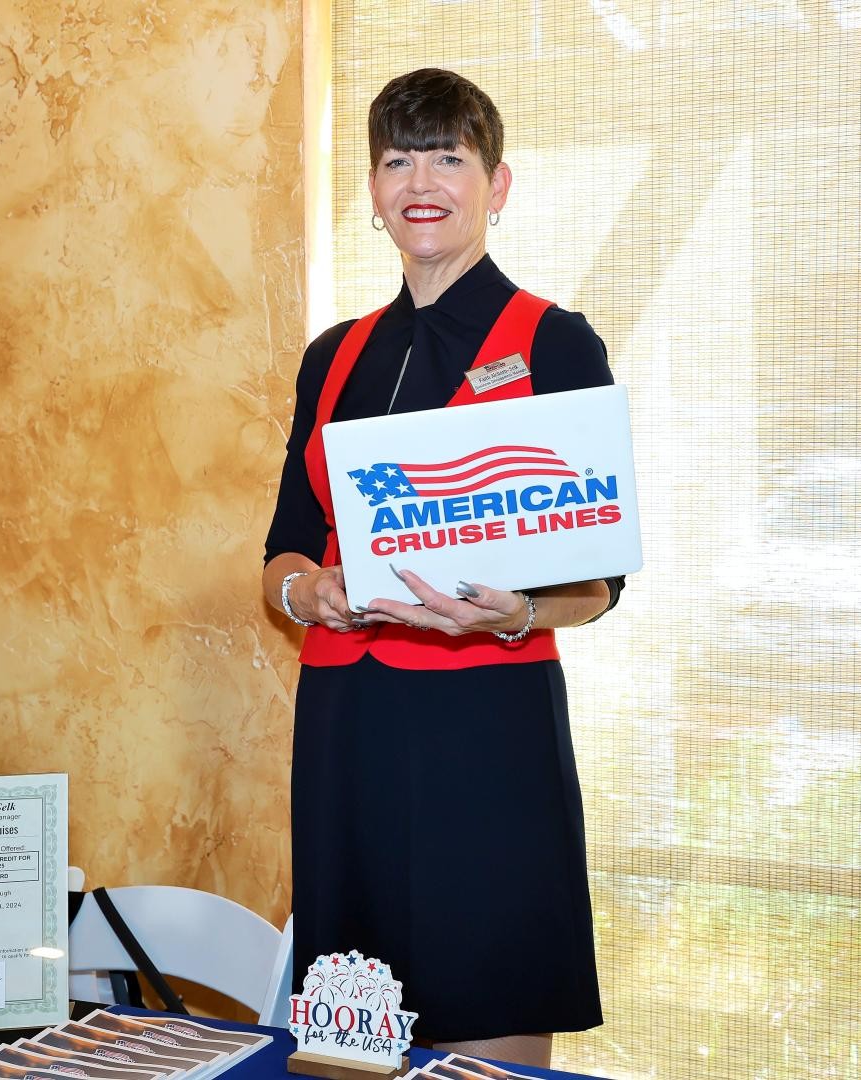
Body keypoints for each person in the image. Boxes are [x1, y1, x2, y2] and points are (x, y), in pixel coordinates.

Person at [262, 68, 622, 1067]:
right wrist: (306, 591)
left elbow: (599, 583)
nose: (421, 181)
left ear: (496, 185)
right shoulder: (332, 356)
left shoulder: (555, 343)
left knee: (486, 1011)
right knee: (351, 1038)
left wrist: (516, 611)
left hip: (484, 730)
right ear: (374, 192)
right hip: (347, 730)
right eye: (397, 160)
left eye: (448, 158)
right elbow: (282, 548)